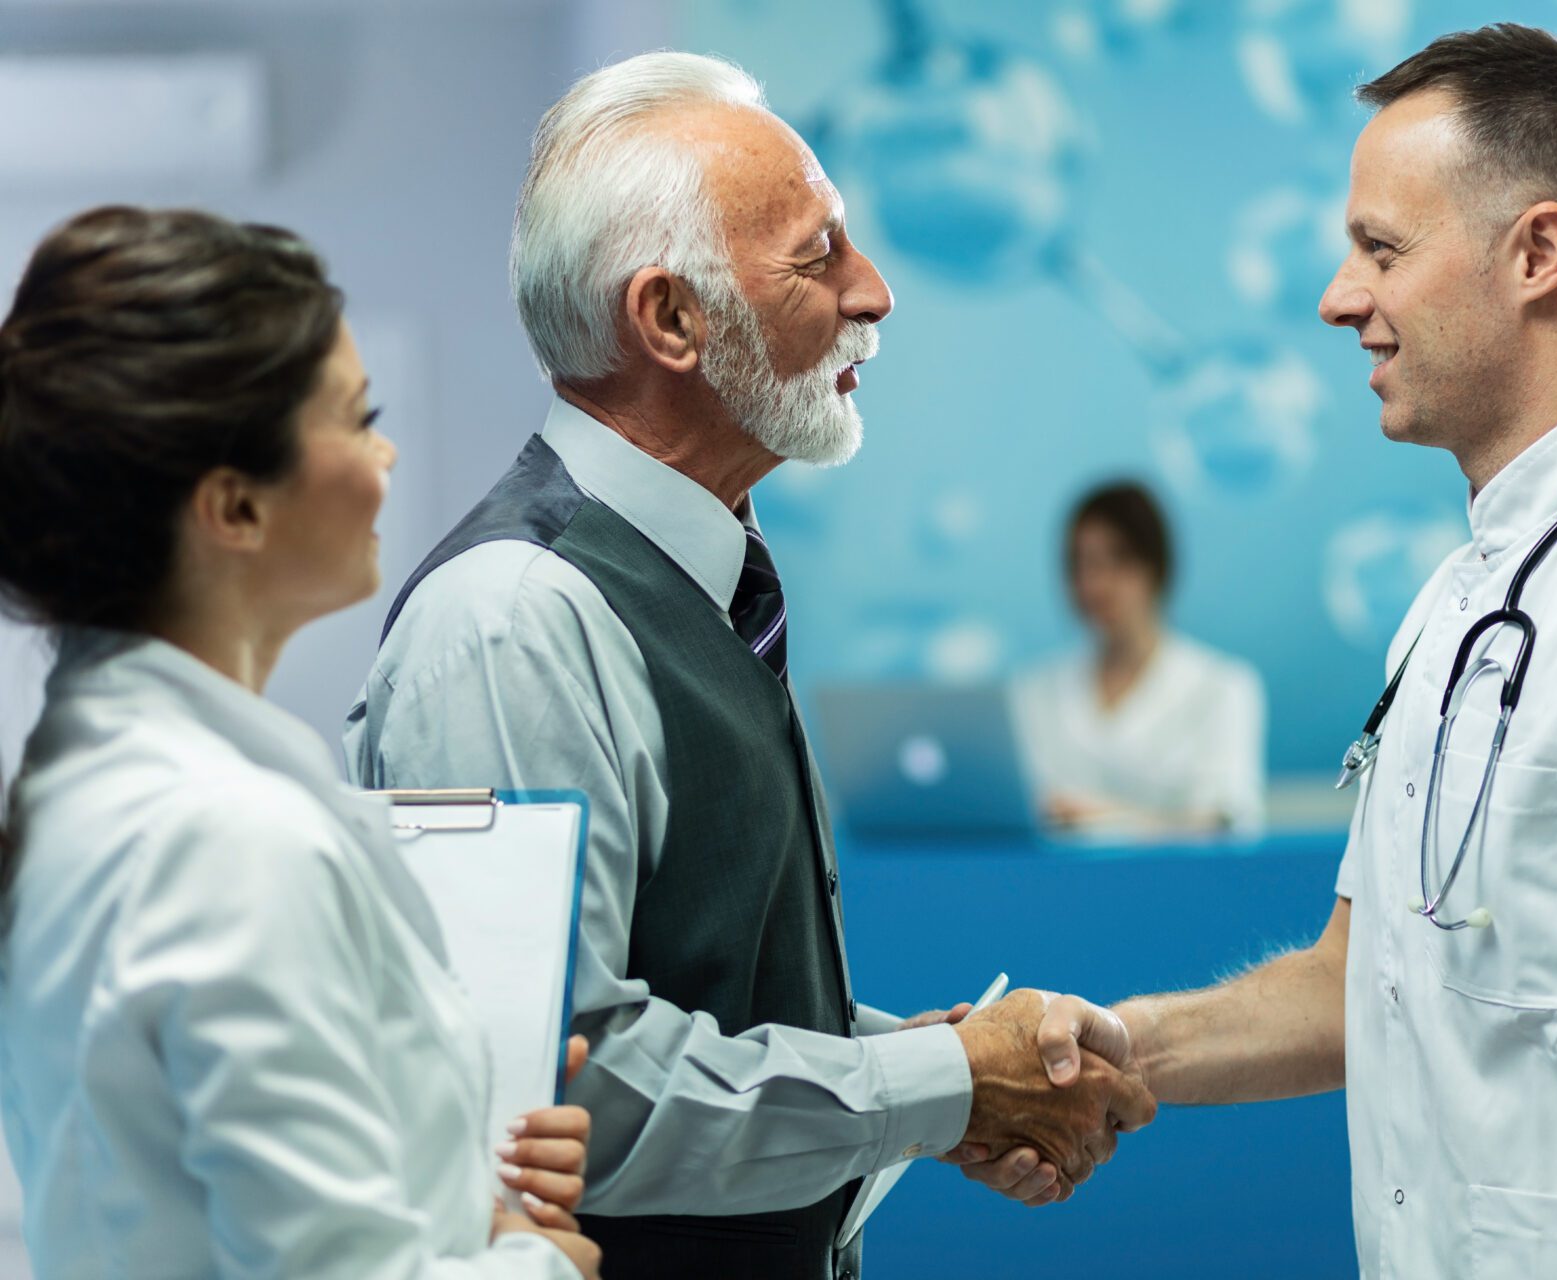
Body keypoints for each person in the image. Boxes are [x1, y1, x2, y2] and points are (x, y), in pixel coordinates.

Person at [1036, 24, 1557, 1279]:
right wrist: (1113, 1050)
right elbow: (1366, 977)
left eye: (1382, 249)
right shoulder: (1455, 606)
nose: (1339, 298)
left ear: (1538, 253)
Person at [346, 52, 1152, 1280]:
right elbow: (566, 1084)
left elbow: (703, 998)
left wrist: (941, 1074)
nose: (875, 291)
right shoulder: (513, 620)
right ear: (670, 318)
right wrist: (942, 1080)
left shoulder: (700, 577)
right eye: (818, 255)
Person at [0, 207, 603, 1277]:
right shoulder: (226, 840)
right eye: (360, 419)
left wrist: (451, 1141)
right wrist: (536, 1262)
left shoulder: (95, 786)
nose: (387, 451)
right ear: (234, 507)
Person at [1014, 480, 1266, 836]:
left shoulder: (1221, 687)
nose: (1094, 584)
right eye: (1081, 565)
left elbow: (1224, 820)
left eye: (1117, 560)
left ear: (1156, 567)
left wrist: (1103, 819)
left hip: (1176, 874)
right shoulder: (1034, 692)